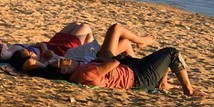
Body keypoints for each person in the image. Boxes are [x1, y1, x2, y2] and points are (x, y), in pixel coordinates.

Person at [70, 40, 202, 97]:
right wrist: (101, 60)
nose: (65, 60)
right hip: (139, 78)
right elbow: (114, 63)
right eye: (62, 63)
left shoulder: (80, 71)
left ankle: (162, 83)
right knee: (171, 52)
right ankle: (188, 90)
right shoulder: (85, 73)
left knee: (161, 57)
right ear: (64, 70)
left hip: (132, 70)